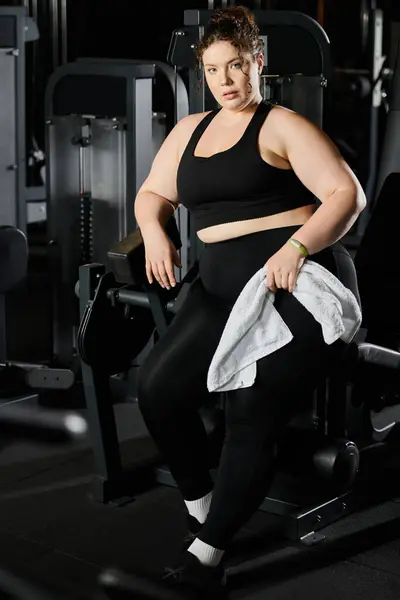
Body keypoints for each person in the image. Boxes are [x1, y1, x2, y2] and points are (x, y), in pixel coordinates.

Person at [108, 5, 366, 599]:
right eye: (214, 70)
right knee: (158, 389)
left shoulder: (281, 125)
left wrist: (298, 248)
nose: (225, 80)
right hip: (220, 285)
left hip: (294, 282)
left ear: (258, 64)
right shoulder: (190, 130)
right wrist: (154, 230)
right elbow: (152, 193)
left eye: (236, 66)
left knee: (251, 405)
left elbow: (344, 196)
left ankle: (209, 554)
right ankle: (204, 507)